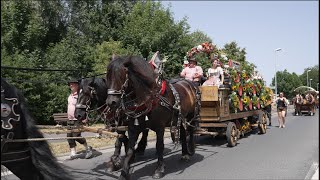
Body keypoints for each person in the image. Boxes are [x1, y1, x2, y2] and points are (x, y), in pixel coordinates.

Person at [67, 79, 93, 159]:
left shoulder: (80, 96)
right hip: (70, 119)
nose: (70, 85)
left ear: (77, 85)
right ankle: (73, 152)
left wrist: (85, 118)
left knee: (76, 136)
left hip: (78, 119)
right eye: (70, 84)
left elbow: (85, 107)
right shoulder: (70, 96)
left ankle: (88, 148)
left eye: (72, 84)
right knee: (69, 136)